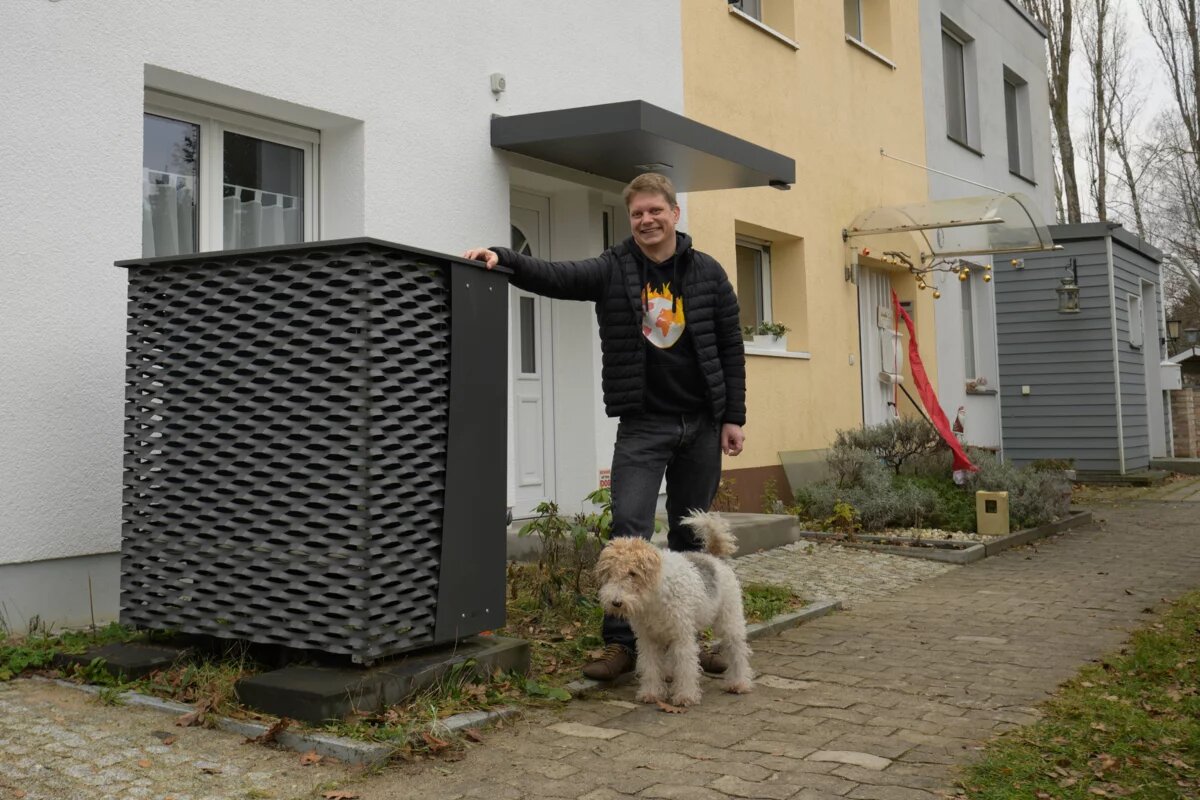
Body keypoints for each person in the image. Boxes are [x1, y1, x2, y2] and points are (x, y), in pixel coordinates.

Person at [463, 172, 746, 680]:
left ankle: (688, 639)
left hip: (701, 424)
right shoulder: (615, 269)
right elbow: (556, 274)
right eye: (637, 213)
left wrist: (733, 418)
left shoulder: (708, 274)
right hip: (643, 424)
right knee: (628, 534)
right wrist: (503, 258)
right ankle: (622, 645)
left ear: (674, 214)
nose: (646, 220)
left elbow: (731, 347)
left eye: (655, 210)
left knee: (690, 539)